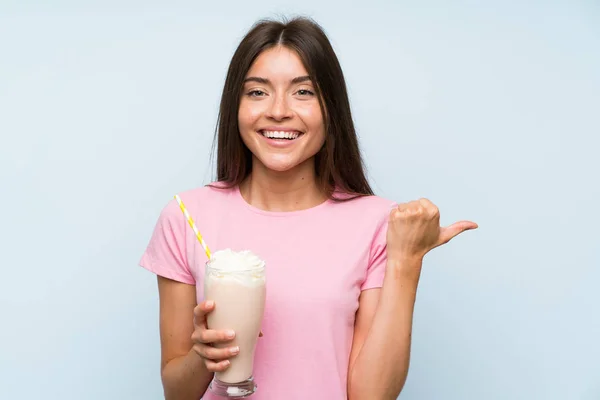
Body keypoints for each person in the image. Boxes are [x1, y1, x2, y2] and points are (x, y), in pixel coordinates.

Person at [139, 16, 477, 400]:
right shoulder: (186, 216)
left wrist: (406, 260)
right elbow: (176, 393)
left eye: (303, 92)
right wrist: (205, 355)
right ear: (235, 105)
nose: (279, 111)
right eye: (257, 92)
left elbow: (372, 395)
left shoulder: (379, 224)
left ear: (330, 107)